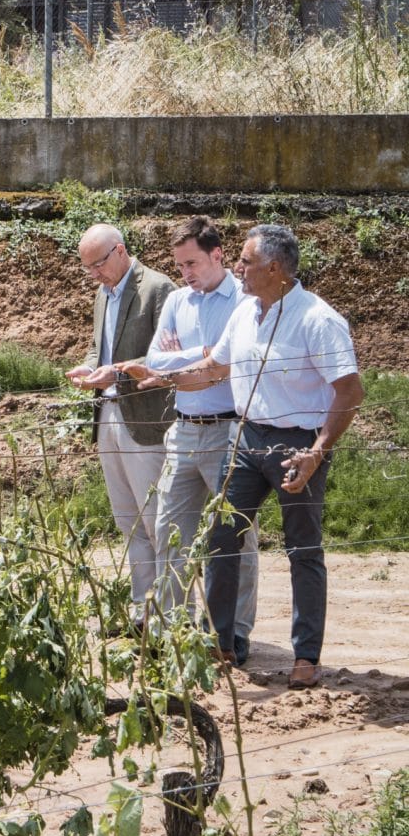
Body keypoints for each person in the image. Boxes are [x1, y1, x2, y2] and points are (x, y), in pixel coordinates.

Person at [122, 224, 363, 690]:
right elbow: (215, 369)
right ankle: (223, 642)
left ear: (274, 268)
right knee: (221, 539)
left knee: (303, 549)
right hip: (247, 439)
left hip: (299, 444)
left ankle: (306, 656)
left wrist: (316, 454)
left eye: (246, 262)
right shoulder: (246, 313)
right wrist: (160, 376)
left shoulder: (318, 319)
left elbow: (350, 391)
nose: (238, 268)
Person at [139, 217, 259, 663]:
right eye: (180, 264)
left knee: (235, 535)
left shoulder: (243, 302)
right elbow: (155, 359)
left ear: (218, 255)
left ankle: (235, 631)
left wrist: (189, 359)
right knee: (170, 530)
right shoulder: (176, 300)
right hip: (184, 428)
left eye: (192, 262)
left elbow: (229, 361)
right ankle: (175, 627)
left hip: (230, 429)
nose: (185, 272)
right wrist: (204, 354)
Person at [63, 224, 175, 629]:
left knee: (156, 518)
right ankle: (141, 613)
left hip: (145, 417)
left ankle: (168, 613)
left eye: (97, 265)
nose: (93, 274)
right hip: (109, 415)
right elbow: (100, 347)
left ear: (120, 251)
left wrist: (115, 374)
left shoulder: (158, 289)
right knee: (128, 519)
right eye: (87, 268)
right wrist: (91, 366)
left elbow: (166, 356)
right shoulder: (102, 294)